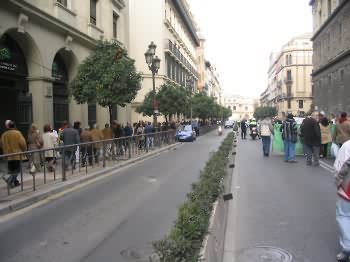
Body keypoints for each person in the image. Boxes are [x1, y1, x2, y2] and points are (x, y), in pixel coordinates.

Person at [334, 140, 350, 261]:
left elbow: (339, 168)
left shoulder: (347, 146)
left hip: (347, 190)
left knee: (344, 215)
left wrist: (338, 182)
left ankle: (347, 247)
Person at [0, 120, 27, 187]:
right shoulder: (17, 133)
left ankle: (16, 182)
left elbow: (1, 144)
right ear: (14, 126)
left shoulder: (4, 134)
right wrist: (24, 150)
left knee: (12, 170)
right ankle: (9, 180)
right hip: (16, 154)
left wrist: (5, 150)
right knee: (17, 170)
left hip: (8, 155)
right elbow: (23, 143)